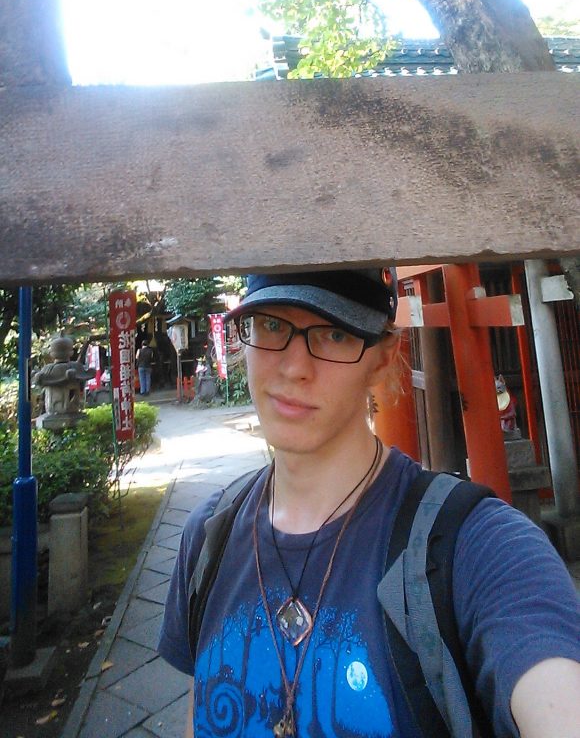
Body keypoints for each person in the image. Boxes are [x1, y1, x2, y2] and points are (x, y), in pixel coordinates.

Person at [158, 269, 580, 738]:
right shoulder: (207, 536)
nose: (295, 367)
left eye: (334, 334)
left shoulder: (475, 546)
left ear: (383, 358)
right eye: (272, 325)